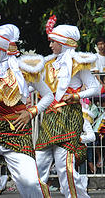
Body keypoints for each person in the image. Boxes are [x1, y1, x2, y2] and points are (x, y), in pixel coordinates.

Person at [0, 21, 53, 198]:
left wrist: (31, 112)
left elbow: (48, 96)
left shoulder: (25, 71)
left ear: (2, 49)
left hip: (17, 134)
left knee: (30, 182)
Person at [35, 16, 100, 198]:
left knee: (65, 166)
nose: (50, 46)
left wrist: (76, 95)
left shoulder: (79, 63)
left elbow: (95, 88)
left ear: (63, 43)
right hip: (49, 117)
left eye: (53, 42)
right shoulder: (47, 64)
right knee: (38, 164)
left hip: (69, 116)